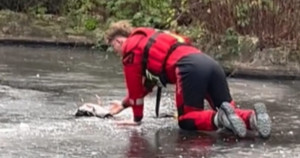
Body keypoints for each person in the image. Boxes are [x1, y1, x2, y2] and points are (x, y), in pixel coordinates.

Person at [104, 20, 272, 138]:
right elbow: (148, 84)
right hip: (209, 63)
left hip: (188, 69)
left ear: (119, 41)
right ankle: (253, 118)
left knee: (187, 120)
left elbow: (135, 90)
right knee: (227, 108)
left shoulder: (130, 49)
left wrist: (136, 119)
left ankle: (219, 118)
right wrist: (123, 104)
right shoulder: (151, 38)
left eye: (113, 47)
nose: (116, 51)